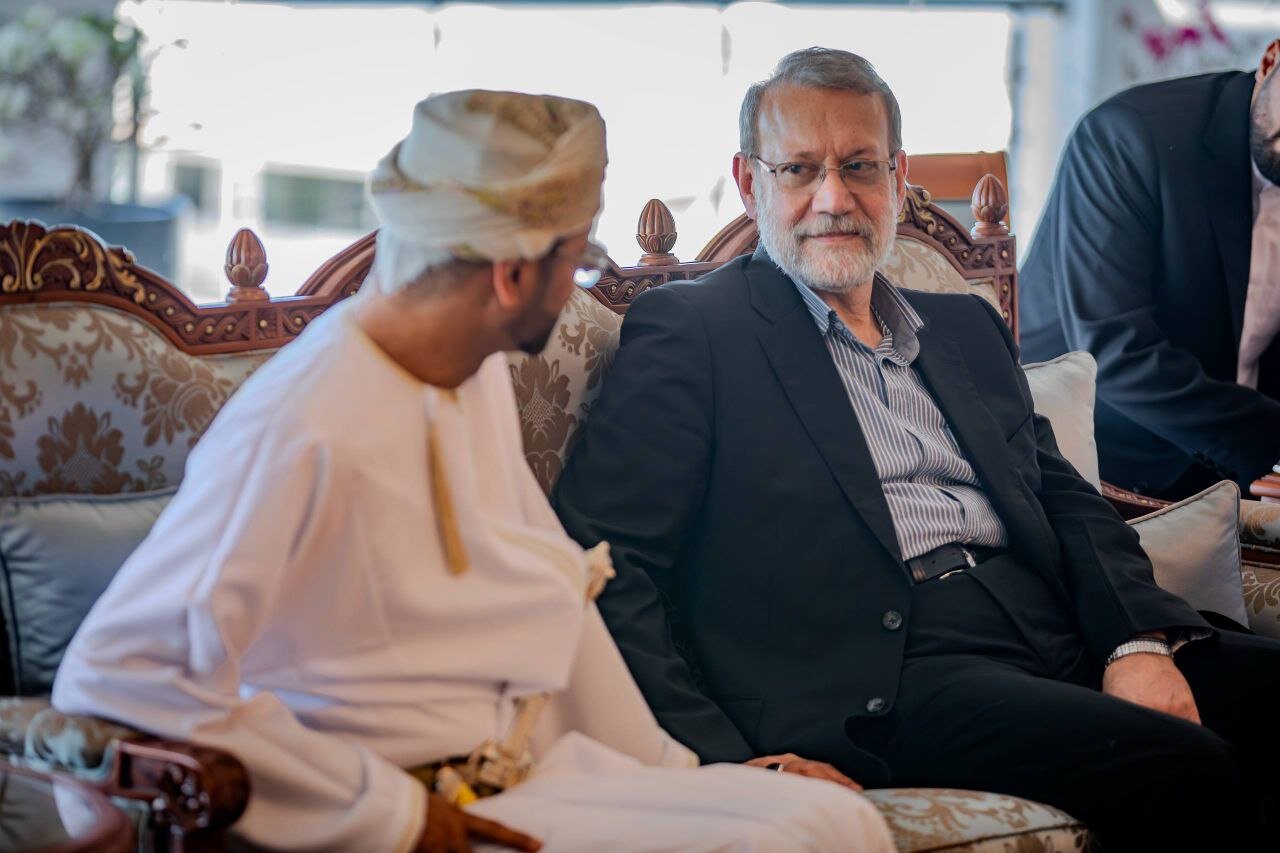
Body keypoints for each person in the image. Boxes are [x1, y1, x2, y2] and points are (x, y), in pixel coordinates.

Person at [52, 90, 893, 853]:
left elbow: (550, 599)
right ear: (513, 272)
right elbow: (116, 676)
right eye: (578, 260)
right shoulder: (305, 422)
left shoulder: (469, 370)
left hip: (523, 781)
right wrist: (393, 815)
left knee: (832, 820)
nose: (579, 287)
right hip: (399, 820)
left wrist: (686, 774)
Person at [552, 48, 1280, 849]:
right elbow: (606, 558)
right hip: (891, 673)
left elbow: (1065, 500)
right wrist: (722, 760)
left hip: (1052, 623)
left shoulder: (963, 327)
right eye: (799, 169)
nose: (834, 198)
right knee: (1187, 769)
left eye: (860, 166)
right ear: (750, 183)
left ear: (898, 178)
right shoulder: (695, 331)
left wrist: (1135, 640)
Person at [1019, 43, 1280, 500]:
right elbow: (1111, 353)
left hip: (1241, 472)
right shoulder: (1127, 137)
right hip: (1086, 469)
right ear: (1271, 59)